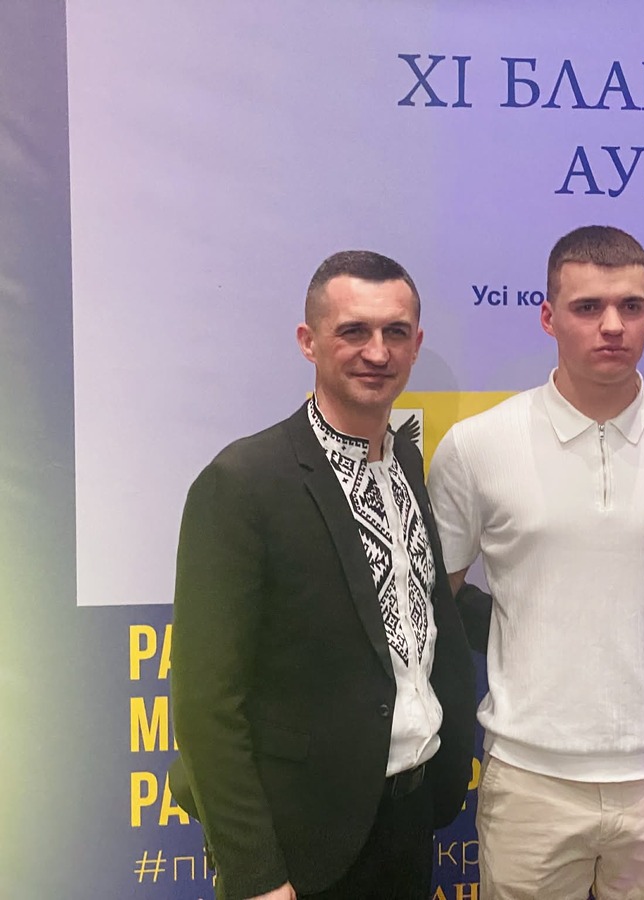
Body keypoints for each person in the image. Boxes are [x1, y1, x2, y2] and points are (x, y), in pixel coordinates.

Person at [426, 225, 644, 900]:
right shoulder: (476, 447)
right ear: (548, 317)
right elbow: (429, 609)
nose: (613, 326)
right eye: (587, 307)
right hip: (529, 781)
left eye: (631, 306)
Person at [168, 251, 475, 900]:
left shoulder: (406, 463)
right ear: (309, 341)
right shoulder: (243, 483)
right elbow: (206, 703)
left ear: (416, 345)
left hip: (410, 818)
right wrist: (256, 874)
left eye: (395, 332)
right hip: (304, 843)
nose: (377, 352)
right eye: (353, 331)